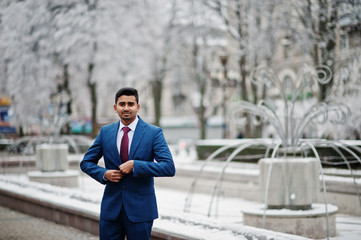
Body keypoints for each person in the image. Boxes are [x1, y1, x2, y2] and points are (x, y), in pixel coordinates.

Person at [80, 87, 176, 240]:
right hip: (111, 210)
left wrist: (135, 165)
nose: (126, 108)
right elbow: (86, 162)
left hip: (141, 210)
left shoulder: (153, 133)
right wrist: (104, 174)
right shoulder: (106, 132)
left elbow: (169, 167)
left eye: (130, 104)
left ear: (138, 107)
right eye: (122, 104)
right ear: (115, 108)